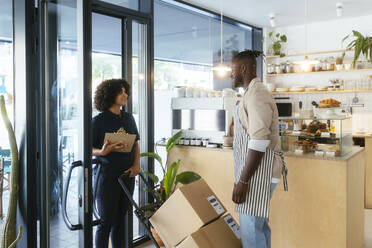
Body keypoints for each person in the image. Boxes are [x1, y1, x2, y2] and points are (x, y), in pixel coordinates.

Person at [231, 50, 287, 248]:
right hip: (257, 172)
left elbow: (259, 141)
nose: (231, 74)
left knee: (252, 232)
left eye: (233, 69)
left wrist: (243, 180)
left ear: (244, 69)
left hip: (258, 174)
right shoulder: (251, 93)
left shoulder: (257, 94)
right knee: (259, 228)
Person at [92, 79, 140, 248]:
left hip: (127, 174)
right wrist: (102, 152)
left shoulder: (128, 118)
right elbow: (88, 148)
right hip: (107, 177)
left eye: (125, 91)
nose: (125, 95)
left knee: (120, 221)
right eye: (121, 92)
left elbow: (135, 144)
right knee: (105, 222)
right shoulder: (98, 121)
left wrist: (136, 165)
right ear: (110, 95)